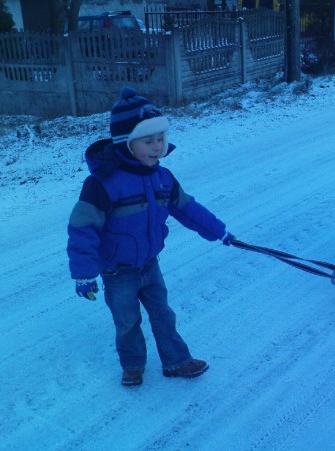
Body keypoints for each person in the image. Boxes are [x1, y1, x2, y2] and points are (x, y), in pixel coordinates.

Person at [67, 87, 235, 387]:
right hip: (118, 271)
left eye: (161, 138)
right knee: (127, 321)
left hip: (149, 264)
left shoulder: (163, 177)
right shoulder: (102, 184)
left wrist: (218, 231)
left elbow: (187, 209)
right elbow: (83, 229)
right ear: (126, 143)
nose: (157, 147)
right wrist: (83, 273)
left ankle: (177, 361)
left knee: (163, 315)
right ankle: (132, 365)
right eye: (148, 140)